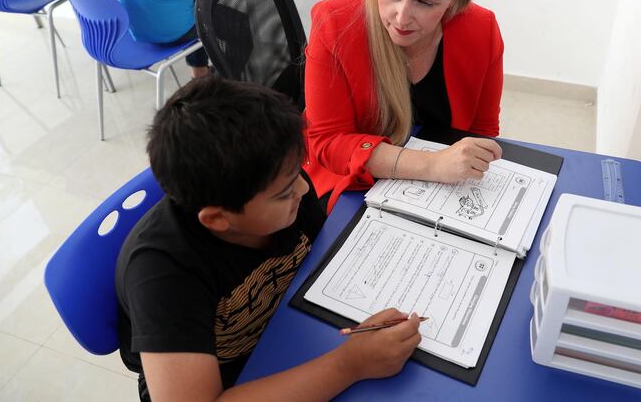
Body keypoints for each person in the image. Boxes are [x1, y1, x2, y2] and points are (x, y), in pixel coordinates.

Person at [115, 77, 422, 402]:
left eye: (296, 177)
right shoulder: (162, 273)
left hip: (289, 328)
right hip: (225, 374)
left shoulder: (278, 178)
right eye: (285, 192)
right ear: (218, 219)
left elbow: (322, 260)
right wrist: (350, 364)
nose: (304, 191)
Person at [304, 0, 504, 212]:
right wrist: (431, 166)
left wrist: (462, 164)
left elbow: (481, 130)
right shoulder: (334, 22)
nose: (401, 17)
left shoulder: (482, 29)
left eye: (425, 2)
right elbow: (328, 143)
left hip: (440, 192)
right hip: (354, 182)